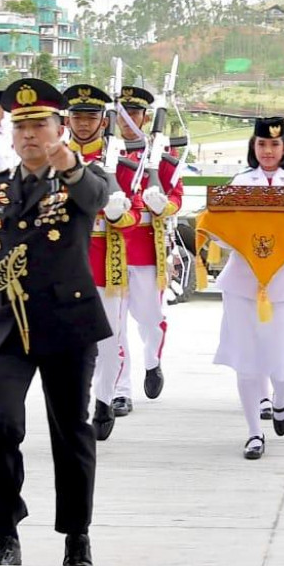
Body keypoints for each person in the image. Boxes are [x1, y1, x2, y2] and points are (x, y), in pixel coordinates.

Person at [0, 79, 113, 566]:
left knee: (71, 429)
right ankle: (5, 531)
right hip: (7, 324)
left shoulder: (80, 179)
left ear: (60, 130)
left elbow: (98, 201)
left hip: (67, 323)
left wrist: (69, 166)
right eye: (22, 126)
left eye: (40, 125)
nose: (30, 135)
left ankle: (77, 534)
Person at [206, 116, 284, 459]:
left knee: (282, 362)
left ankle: (281, 399)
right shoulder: (239, 182)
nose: (268, 151)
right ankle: (254, 432)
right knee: (247, 362)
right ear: (253, 147)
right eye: (262, 144)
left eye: (275, 144)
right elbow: (221, 227)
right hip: (242, 282)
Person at [63, 84, 135, 439]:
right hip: (66, 261)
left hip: (107, 260)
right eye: (77, 116)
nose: (84, 123)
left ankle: (105, 400)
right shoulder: (55, 158)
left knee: (109, 339)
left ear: (102, 121)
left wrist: (118, 214)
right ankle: (74, 404)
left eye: (91, 117)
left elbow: (134, 216)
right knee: (68, 344)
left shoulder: (120, 164)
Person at [111, 86, 184, 406]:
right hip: (109, 250)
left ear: (145, 117)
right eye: (122, 115)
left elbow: (176, 198)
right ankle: (119, 391)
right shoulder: (105, 153)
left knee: (150, 320)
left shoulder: (160, 157)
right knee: (113, 326)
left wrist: (161, 206)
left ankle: (152, 362)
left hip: (144, 250)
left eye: (134, 114)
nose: (128, 122)